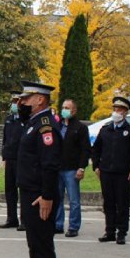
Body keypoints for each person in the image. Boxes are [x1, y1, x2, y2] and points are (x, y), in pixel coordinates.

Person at [14, 81, 61, 258]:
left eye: (27, 98)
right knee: (36, 244)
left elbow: (50, 165)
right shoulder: (33, 123)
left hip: (38, 196)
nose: (22, 102)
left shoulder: (45, 126)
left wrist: (47, 196)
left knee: (41, 245)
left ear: (40, 99)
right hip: (30, 192)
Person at [91, 97, 130, 245]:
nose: (116, 112)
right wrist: (96, 166)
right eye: (115, 109)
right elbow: (96, 149)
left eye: (120, 110)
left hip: (123, 173)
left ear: (126, 112)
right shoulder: (106, 129)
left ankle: (121, 232)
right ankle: (110, 231)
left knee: (122, 203)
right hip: (106, 171)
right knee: (108, 203)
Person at [55, 99, 91, 237]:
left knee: (73, 200)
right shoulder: (57, 126)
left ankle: (74, 226)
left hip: (72, 169)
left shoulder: (80, 128)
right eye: (63, 107)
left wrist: (81, 167)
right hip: (58, 168)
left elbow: (85, 150)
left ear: (74, 110)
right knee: (57, 197)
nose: (64, 110)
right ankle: (58, 224)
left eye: (67, 108)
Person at [0, 91, 26, 230]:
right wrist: (4, 157)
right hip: (10, 159)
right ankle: (11, 218)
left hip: (21, 160)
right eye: (13, 101)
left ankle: (24, 221)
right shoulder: (9, 119)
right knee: (10, 190)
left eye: (17, 101)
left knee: (23, 190)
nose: (14, 104)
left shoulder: (25, 119)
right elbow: (5, 139)